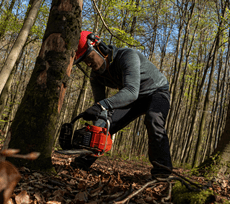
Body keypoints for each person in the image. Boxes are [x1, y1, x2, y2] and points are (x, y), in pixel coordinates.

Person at [72, 30, 172, 178]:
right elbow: (101, 108)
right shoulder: (96, 76)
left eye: (89, 57)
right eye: (84, 61)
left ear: (100, 48)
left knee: (153, 119)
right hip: (135, 98)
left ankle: (162, 173)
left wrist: (101, 106)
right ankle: (81, 164)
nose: (88, 63)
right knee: (106, 123)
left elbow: (131, 91)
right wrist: (98, 115)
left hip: (156, 91)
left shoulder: (127, 56)